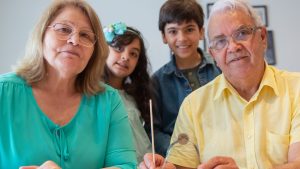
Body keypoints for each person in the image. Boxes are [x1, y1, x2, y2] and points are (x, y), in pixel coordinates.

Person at [140, 0, 300, 168]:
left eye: (242, 33)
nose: (233, 47)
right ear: (213, 54)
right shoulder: (192, 105)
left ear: (262, 37)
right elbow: (181, 166)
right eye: (221, 41)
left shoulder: (296, 89)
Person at [0, 0, 137, 169]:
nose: (74, 41)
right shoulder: (3, 93)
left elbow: (125, 165)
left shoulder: (109, 101)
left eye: (85, 35)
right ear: (41, 34)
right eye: (64, 29)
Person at [150, 0, 221, 156]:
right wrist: (179, 151)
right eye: (173, 31)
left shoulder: (221, 69)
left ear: (201, 32)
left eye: (189, 29)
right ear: (164, 36)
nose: (182, 38)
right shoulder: (156, 81)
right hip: (179, 158)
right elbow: (153, 131)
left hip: (223, 153)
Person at [102, 22, 152, 163]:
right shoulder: (93, 94)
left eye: (133, 53)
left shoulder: (135, 96)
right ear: (104, 49)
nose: (126, 57)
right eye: (118, 48)